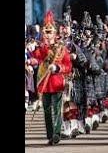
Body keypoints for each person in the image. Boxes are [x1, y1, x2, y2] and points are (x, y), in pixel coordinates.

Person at [30, 10, 72, 145]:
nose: (46, 35)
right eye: (45, 32)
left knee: (57, 110)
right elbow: (36, 58)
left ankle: (57, 134)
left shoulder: (61, 48)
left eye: (49, 32)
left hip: (57, 82)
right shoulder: (42, 47)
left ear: (54, 33)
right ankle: (50, 135)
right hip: (44, 83)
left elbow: (68, 66)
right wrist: (31, 55)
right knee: (47, 111)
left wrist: (58, 68)